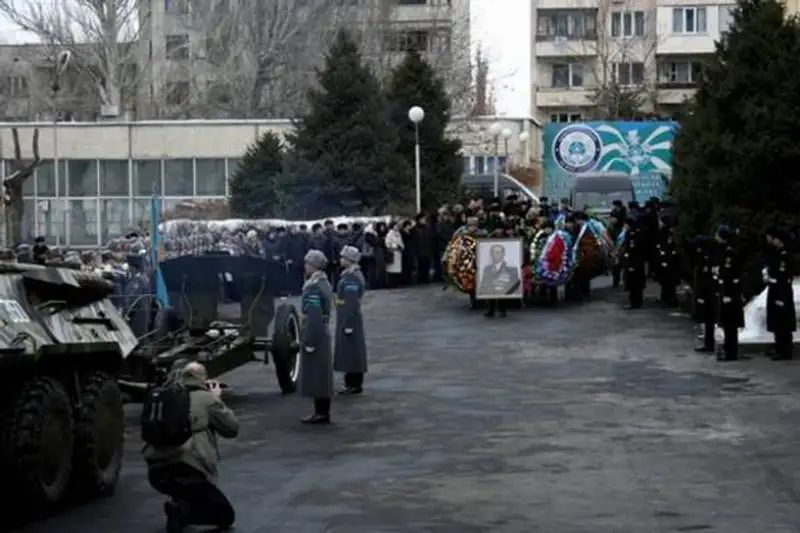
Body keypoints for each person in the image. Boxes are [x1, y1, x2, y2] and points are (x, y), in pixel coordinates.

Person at [144, 362, 239, 533]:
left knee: (182, 489)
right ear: (203, 377)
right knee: (225, 516)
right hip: (190, 467)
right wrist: (216, 399)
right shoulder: (207, 398)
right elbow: (232, 429)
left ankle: (179, 504)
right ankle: (181, 512)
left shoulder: (162, 397)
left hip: (157, 471)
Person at [298, 249, 335, 424]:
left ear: (313, 265)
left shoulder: (313, 287)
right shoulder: (323, 283)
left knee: (318, 374)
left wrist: (310, 340)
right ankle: (321, 410)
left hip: (316, 332)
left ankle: (321, 412)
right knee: (321, 373)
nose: (305, 266)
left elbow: (313, 314)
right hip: (322, 331)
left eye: (307, 263)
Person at [333, 245, 368, 394]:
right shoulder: (349, 275)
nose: (341, 259)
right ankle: (352, 382)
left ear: (350, 260)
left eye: (343, 257)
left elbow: (351, 302)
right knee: (351, 351)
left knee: (352, 352)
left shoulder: (352, 277)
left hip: (349, 318)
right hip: (348, 316)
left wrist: (347, 324)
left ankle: (354, 383)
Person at [764, 228, 795, 360]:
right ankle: (778, 347)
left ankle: (785, 351)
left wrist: (781, 297)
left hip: (782, 291)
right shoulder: (777, 254)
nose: (774, 240)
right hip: (775, 289)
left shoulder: (785, 256)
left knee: (784, 323)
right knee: (777, 320)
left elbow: (783, 276)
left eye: (777, 239)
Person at [714, 224, 743, 362]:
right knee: (727, 325)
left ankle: (731, 353)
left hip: (730, 293)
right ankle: (728, 350)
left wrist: (727, 294)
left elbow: (728, 276)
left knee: (730, 325)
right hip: (728, 291)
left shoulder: (729, 254)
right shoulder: (725, 251)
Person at [478, 242, 520, 318]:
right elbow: (484, 284)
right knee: (490, 294)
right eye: (493, 253)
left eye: (498, 252)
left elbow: (514, 284)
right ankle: (491, 310)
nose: (495, 255)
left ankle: (502, 310)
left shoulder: (511, 269)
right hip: (491, 291)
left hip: (504, 290)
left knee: (504, 294)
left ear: (503, 254)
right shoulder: (487, 269)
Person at [691, 235, 717, 353]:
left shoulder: (706, 259)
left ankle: (709, 344)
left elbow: (705, 280)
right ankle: (708, 343)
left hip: (707, 294)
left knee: (708, 320)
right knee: (707, 321)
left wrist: (701, 295)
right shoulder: (704, 257)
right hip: (705, 293)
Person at [622, 214, 646, 310]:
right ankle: (636, 302)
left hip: (634, 262)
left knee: (634, 284)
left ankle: (635, 303)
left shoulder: (632, 234)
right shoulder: (638, 232)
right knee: (636, 284)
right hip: (637, 262)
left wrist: (629, 260)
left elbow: (632, 249)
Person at [384, 221, 404, 289]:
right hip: (392, 253)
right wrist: (395, 246)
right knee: (391, 270)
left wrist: (401, 246)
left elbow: (401, 242)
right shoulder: (389, 234)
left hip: (398, 253)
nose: (397, 227)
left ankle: (396, 283)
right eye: (396, 226)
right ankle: (391, 284)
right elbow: (387, 243)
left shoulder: (398, 233)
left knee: (397, 270)